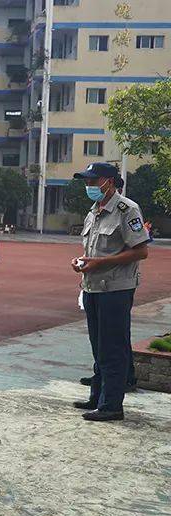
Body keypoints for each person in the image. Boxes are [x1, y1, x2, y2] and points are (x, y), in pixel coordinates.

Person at [70, 163, 150, 422]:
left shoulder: (128, 210)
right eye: (87, 181)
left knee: (112, 347)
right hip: (92, 287)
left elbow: (141, 251)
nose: (90, 186)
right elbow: (95, 252)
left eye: (94, 181)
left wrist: (99, 263)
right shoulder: (94, 211)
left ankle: (112, 405)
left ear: (110, 182)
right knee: (98, 345)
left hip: (116, 289)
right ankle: (98, 397)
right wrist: (81, 261)